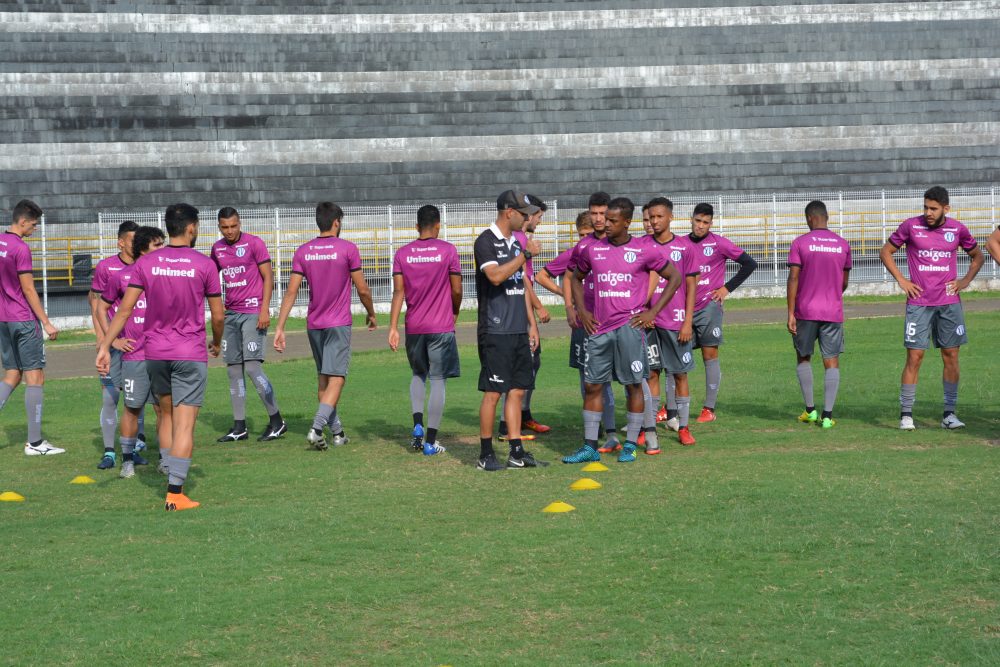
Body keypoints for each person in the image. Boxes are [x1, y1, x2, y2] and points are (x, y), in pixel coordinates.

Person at [97, 203, 224, 511]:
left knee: (164, 413)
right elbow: (218, 315)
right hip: (190, 353)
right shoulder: (205, 264)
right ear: (192, 228)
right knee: (185, 424)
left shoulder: (147, 263)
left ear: (168, 228)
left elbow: (124, 309)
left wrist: (104, 346)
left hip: (154, 354)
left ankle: (166, 467)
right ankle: (175, 492)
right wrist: (217, 342)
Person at [562, 197, 681, 464]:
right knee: (592, 385)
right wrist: (581, 310)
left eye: (613, 220)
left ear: (627, 222)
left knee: (633, 385)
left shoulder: (643, 249)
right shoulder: (593, 249)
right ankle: (590, 445)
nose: (606, 224)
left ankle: (630, 444)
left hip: (629, 328)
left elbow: (675, 277)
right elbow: (575, 279)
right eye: (605, 218)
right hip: (600, 330)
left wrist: (652, 311)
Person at [274, 202, 377, 450]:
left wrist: (280, 327)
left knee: (323, 379)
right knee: (337, 378)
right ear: (337, 222)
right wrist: (372, 313)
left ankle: (338, 433)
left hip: (315, 324)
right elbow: (362, 288)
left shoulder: (303, 251)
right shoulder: (348, 249)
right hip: (338, 323)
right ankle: (316, 428)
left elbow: (291, 291)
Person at [879, 186, 984, 430]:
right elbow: (886, 251)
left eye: (933, 208)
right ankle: (906, 414)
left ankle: (949, 414)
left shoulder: (957, 229)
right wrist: (902, 281)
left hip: (949, 304)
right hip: (919, 303)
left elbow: (978, 256)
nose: (928, 212)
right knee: (915, 357)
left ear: (946, 209)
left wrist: (964, 282)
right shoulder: (910, 226)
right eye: (926, 207)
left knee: (951, 356)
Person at [474, 189, 541, 471]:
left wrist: (531, 324)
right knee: (493, 393)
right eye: (524, 213)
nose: (527, 218)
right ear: (508, 212)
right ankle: (486, 454)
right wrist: (525, 254)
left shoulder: (515, 242)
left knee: (517, 391)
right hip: (495, 330)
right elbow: (496, 276)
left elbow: (521, 285)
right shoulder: (485, 241)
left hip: (517, 330)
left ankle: (516, 451)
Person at [388, 204, 462, 456]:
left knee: (418, 374)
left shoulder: (402, 254)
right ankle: (430, 441)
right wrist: (455, 309)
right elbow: (457, 289)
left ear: (416, 226)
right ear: (438, 225)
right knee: (438, 380)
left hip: (414, 326)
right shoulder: (448, 251)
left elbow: (399, 293)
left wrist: (393, 327)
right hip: (440, 326)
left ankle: (418, 424)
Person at [211, 207, 286, 443]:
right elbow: (212, 280)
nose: (230, 231)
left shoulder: (255, 243)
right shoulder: (217, 249)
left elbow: (268, 277)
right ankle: (239, 427)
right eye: (225, 227)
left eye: (234, 225)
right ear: (219, 226)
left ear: (239, 223)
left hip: (253, 312)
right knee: (233, 370)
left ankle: (277, 421)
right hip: (231, 315)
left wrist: (264, 309)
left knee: (252, 368)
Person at [98, 225, 165, 478]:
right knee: (132, 408)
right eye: (157, 245)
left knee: (163, 408)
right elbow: (100, 308)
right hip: (135, 355)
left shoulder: (165, 275)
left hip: (160, 353)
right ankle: (127, 460)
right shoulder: (122, 277)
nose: (162, 249)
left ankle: (165, 459)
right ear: (143, 249)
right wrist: (111, 341)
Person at [684, 203, 757, 424]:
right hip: (685, 308)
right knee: (678, 358)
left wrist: (726, 289)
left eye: (705, 222)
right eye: (698, 221)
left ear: (711, 224)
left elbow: (749, 263)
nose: (700, 226)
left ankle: (708, 408)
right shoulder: (681, 244)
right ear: (691, 219)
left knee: (710, 355)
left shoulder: (719, 243)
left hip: (709, 307)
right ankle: (670, 409)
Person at [0, 199, 62, 455]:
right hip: (23, 320)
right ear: (22, 221)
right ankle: (35, 443)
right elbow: (27, 288)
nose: (34, 229)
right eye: (34, 224)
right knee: (35, 376)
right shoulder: (20, 248)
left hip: (3, 319)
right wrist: (46, 322)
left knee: (12, 374)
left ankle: (35, 442)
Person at [786, 201, 852, 428]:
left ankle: (810, 410)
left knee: (803, 357)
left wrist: (790, 312)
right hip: (832, 311)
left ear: (810, 218)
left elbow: (793, 278)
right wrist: (832, 295)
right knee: (831, 361)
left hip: (806, 310)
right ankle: (827, 416)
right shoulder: (842, 244)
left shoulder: (800, 243)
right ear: (826, 217)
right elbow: (844, 281)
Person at [90, 220, 150, 469]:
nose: (136, 244)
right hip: (115, 347)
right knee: (110, 398)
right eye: (132, 240)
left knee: (137, 401)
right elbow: (96, 305)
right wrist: (107, 340)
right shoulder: (107, 268)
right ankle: (109, 452)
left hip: (140, 347)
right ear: (120, 241)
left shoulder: (145, 266)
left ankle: (134, 447)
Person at [643, 197, 700, 447]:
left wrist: (688, 321)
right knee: (651, 374)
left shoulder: (685, 248)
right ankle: (649, 427)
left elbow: (691, 286)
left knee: (680, 375)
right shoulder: (641, 245)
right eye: (651, 217)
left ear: (670, 218)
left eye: (659, 216)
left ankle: (684, 427)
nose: (654, 221)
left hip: (676, 322)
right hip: (649, 324)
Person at [499, 193, 551, 439]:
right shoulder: (518, 240)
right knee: (519, 365)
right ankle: (508, 423)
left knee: (532, 362)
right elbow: (522, 280)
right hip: (517, 311)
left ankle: (524, 415)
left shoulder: (521, 238)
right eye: (538, 216)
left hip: (522, 309)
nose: (538, 221)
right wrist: (538, 306)